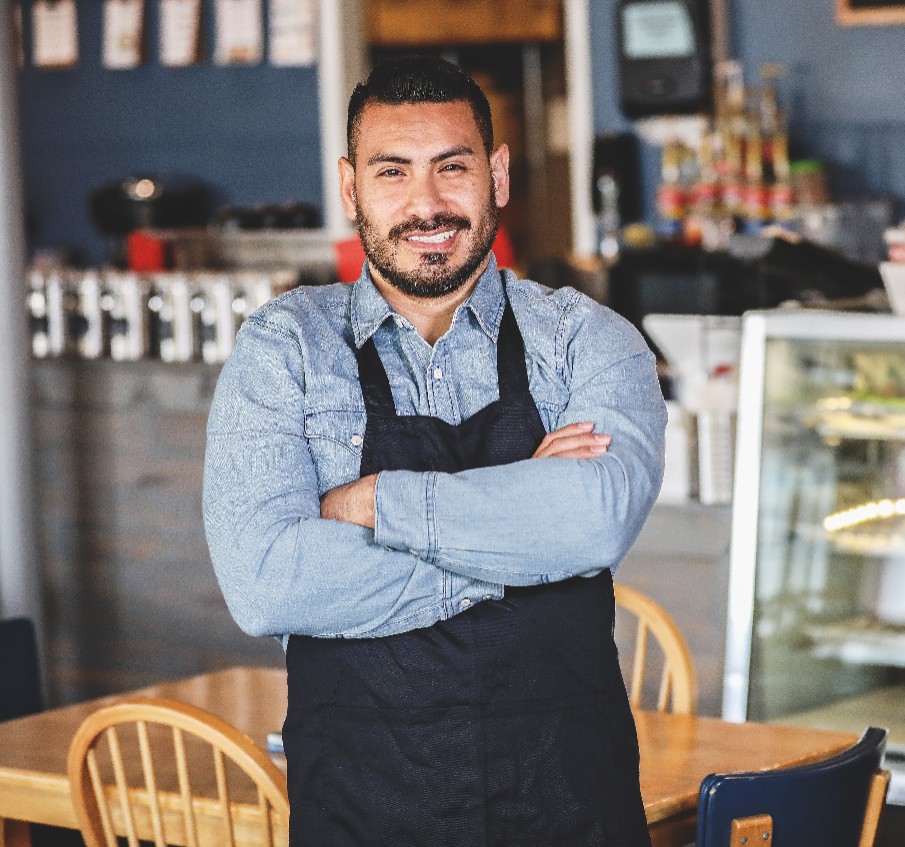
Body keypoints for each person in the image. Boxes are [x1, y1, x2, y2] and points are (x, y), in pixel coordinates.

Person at [202, 55, 665, 846]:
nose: (426, 204)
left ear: (498, 174)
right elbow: (267, 581)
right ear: (351, 188)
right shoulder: (284, 349)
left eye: (452, 168)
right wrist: (519, 539)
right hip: (361, 812)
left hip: (569, 809)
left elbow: (590, 521)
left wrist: (375, 501)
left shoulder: (587, 339)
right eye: (393, 173)